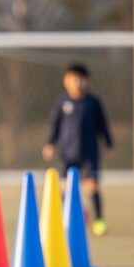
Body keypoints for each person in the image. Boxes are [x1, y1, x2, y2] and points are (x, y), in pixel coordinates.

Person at [42, 63, 113, 235]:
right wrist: (49, 143)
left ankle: (98, 220)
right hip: (67, 153)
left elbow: (103, 125)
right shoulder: (62, 102)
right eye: (74, 79)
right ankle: (64, 221)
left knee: (92, 186)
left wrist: (108, 143)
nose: (78, 83)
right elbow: (54, 125)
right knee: (64, 187)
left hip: (89, 153)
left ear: (86, 81)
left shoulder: (93, 102)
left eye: (81, 80)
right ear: (66, 81)